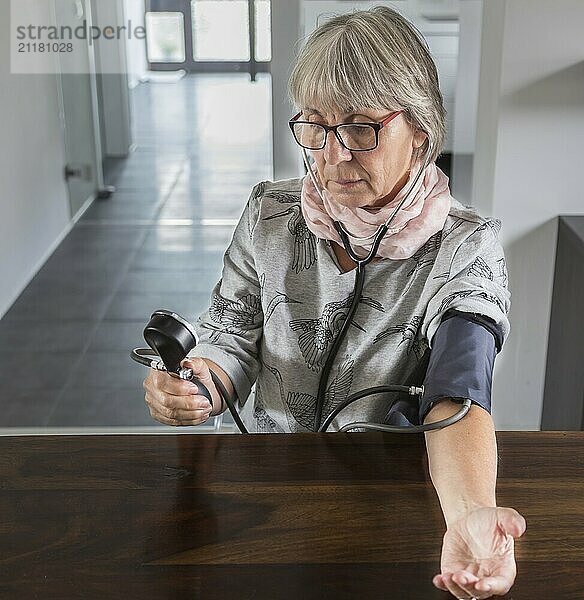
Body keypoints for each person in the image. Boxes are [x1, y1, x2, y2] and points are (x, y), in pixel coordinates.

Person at [143, 6, 526, 599]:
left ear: (420, 131)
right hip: (269, 499)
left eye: (361, 127)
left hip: (390, 506)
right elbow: (231, 336)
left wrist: (470, 514)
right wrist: (199, 385)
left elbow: (459, 393)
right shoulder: (270, 213)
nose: (334, 154)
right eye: (316, 127)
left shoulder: (467, 247)